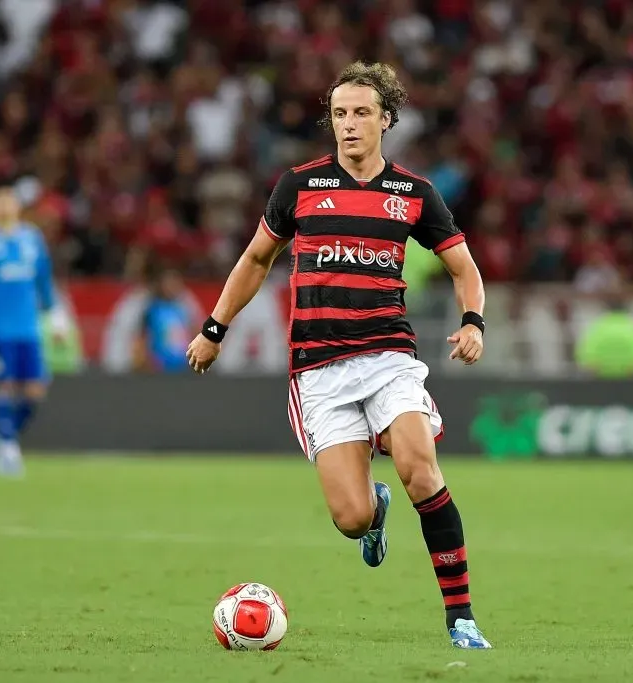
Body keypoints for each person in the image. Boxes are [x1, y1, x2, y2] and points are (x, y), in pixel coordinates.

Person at [186, 61, 491, 650]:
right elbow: (255, 261)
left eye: (361, 114)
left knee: (418, 467)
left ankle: (461, 618)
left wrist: (473, 323)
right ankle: (373, 513)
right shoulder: (299, 186)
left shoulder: (414, 194)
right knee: (349, 517)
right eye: (340, 114)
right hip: (319, 370)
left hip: (388, 357)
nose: (348, 125)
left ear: (387, 121)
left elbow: (464, 268)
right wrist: (214, 328)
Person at [0, 187, 68, 477]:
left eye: (10, 203)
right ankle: (8, 448)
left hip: (28, 329)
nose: (5, 208)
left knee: (35, 390)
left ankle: (4, 437)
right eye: (0, 203)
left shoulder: (31, 239)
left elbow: (44, 282)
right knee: (3, 386)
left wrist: (56, 317)